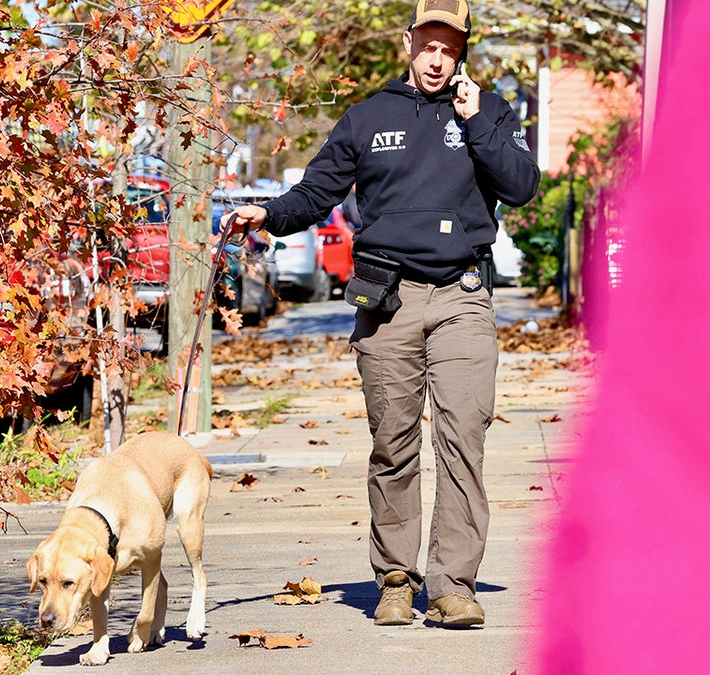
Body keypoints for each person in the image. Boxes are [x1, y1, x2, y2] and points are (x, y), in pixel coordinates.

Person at [228, 0, 539, 626]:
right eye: (428, 44)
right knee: (393, 444)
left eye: (449, 48)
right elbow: (318, 191)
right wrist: (270, 213)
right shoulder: (369, 117)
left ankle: (453, 585)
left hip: (462, 297)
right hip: (388, 301)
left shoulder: (489, 111)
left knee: (462, 441)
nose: (437, 58)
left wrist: (476, 120)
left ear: (462, 52)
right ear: (408, 42)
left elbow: (521, 185)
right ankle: (396, 578)